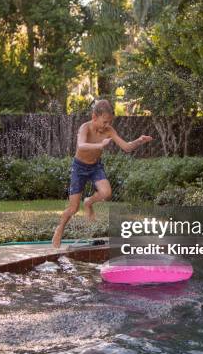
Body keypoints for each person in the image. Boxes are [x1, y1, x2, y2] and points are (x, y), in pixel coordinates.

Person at [52, 99, 153, 248]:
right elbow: (81, 145)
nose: (107, 125)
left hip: (95, 167)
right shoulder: (85, 128)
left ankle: (89, 202)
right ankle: (59, 229)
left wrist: (139, 141)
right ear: (94, 117)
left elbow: (126, 147)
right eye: (104, 122)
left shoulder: (109, 130)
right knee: (73, 209)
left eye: (109, 122)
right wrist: (100, 144)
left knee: (106, 193)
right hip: (79, 168)